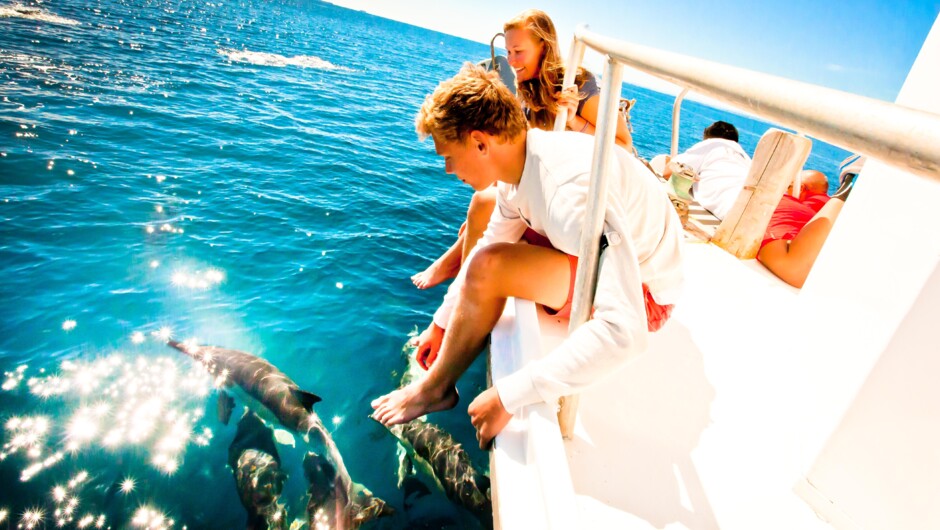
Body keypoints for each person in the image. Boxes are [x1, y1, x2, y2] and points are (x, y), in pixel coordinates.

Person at [372, 64, 684, 449]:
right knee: (487, 233)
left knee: (492, 268)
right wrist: (443, 321)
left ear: (481, 143)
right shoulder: (520, 167)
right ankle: (442, 374)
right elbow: (488, 241)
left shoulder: (569, 196)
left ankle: (435, 389)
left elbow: (626, 331)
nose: (448, 170)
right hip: (614, 251)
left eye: (449, 156)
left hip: (647, 291)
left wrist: (512, 393)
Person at [410, 8, 634, 290]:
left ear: (544, 46)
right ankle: (462, 276)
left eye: (518, 51)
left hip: (576, 187)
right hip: (540, 184)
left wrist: (574, 118)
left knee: (484, 203)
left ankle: (460, 281)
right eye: (508, 52)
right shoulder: (524, 88)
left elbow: (623, 147)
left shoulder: (578, 83)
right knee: (483, 203)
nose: (512, 61)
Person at [757, 169, 846, 288]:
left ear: (802, 188)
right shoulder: (826, 205)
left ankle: (850, 183)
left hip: (799, 269)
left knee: (788, 265)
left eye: (789, 186)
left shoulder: (801, 206)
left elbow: (792, 269)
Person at [662, 121, 750, 220]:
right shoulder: (746, 159)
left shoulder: (713, 143)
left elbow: (668, 172)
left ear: (706, 135)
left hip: (732, 214)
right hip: (756, 213)